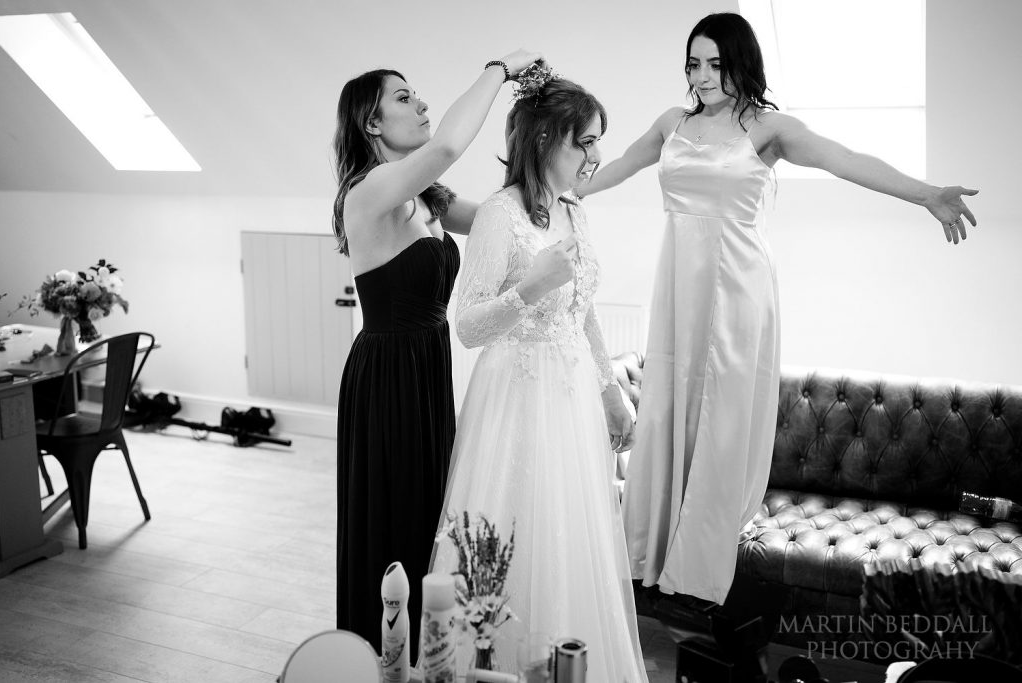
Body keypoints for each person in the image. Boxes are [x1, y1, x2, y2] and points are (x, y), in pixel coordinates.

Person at [579, 11, 978, 606]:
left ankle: (697, 566)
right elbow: (612, 169)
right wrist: (552, 194)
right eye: (694, 63)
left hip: (740, 288)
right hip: (677, 286)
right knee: (669, 406)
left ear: (742, 62)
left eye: (715, 62)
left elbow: (846, 160)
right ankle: (650, 553)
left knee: (721, 415)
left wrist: (926, 195)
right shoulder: (672, 123)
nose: (702, 75)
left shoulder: (770, 129)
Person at [430, 70, 648, 682]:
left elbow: (584, 310)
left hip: (574, 397)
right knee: (512, 537)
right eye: (585, 141)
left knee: (570, 541)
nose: (596, 155)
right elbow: (468, 325)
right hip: (515, 401)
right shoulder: (501, 215)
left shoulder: (576, 212)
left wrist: (609, 387)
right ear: (547, 138)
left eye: (599, 140)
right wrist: (529, 288)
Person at [332, 49, 541, 657]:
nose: (420, 104)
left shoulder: (429, 197)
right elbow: (447, 144)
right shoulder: (368, 190)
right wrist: (499, 70)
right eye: (403, 98)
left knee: (429, 515)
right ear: (371, 124)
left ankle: (430, 653)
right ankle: (378, 655)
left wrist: (544, 155)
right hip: (387, 376)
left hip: (427, 371)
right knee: (394, 521)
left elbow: (498, 219)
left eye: (417, 94)